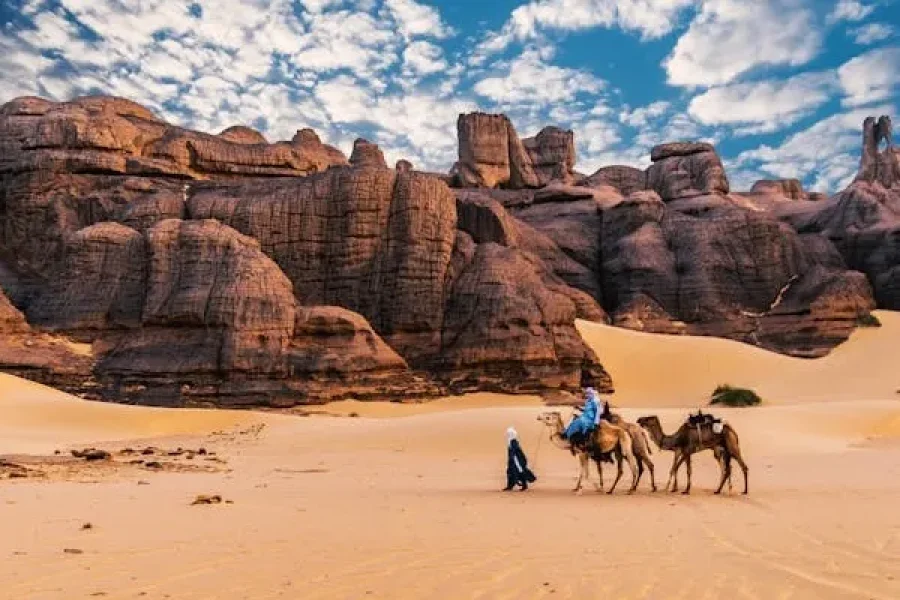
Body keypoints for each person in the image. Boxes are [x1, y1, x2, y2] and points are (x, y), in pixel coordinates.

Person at [503, 427, 536, 491]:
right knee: (510, 472)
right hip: (513, 461)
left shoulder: (513, 442)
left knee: (520, 472)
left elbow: (514, 453)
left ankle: (524, 486)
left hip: (517, 461)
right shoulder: (511, 441)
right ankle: (510, 486)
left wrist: (513, 461)